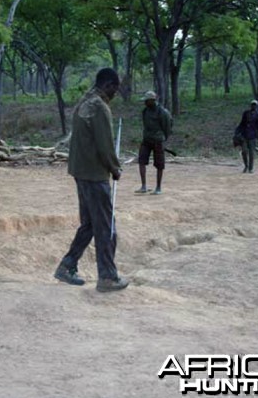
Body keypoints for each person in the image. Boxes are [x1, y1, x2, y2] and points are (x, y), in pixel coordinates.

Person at [54, 67, 129, 293]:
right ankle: (107, 276)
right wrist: (115, 168)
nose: (115, 94)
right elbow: (105, 145)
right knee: (106, 226)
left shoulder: (84, 102)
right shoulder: (99, 108)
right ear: (108, 85)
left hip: (81, 172)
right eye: (114, 89)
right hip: (95, 176)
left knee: (89, 224)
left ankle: (67, 266)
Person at [135, 90, 172, 195]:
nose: (145, 103)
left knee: (159, 164)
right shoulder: (145, 111)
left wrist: (163, 139)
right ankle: (143, 186)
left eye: (146, 101)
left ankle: (158, 187)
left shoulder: (162, 112)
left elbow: (167, 127)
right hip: (146, 140)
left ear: (152, 101)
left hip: (158, 141)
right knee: (141, 161)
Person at [237, 99, 258, 173]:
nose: (253, 106)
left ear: (256, 106)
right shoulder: (246, 113)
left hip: (253, 136)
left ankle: (250, 168)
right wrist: (237, 132)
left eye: (255, 105)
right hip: (245, 135)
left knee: (251, 153)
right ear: (251, 105)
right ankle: (246, 166)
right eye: (252, 104)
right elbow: (242, 123)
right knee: (244, 151)